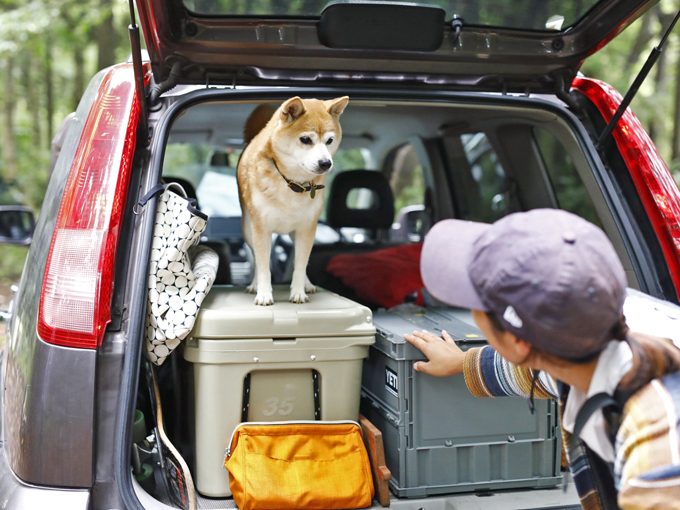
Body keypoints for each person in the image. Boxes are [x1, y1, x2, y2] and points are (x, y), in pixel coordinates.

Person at [404, 209, 680, 510]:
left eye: (476, 301)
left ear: (519, 341)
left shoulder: (661, 449)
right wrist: (461, 362)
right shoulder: (594, 328)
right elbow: (537, 367)